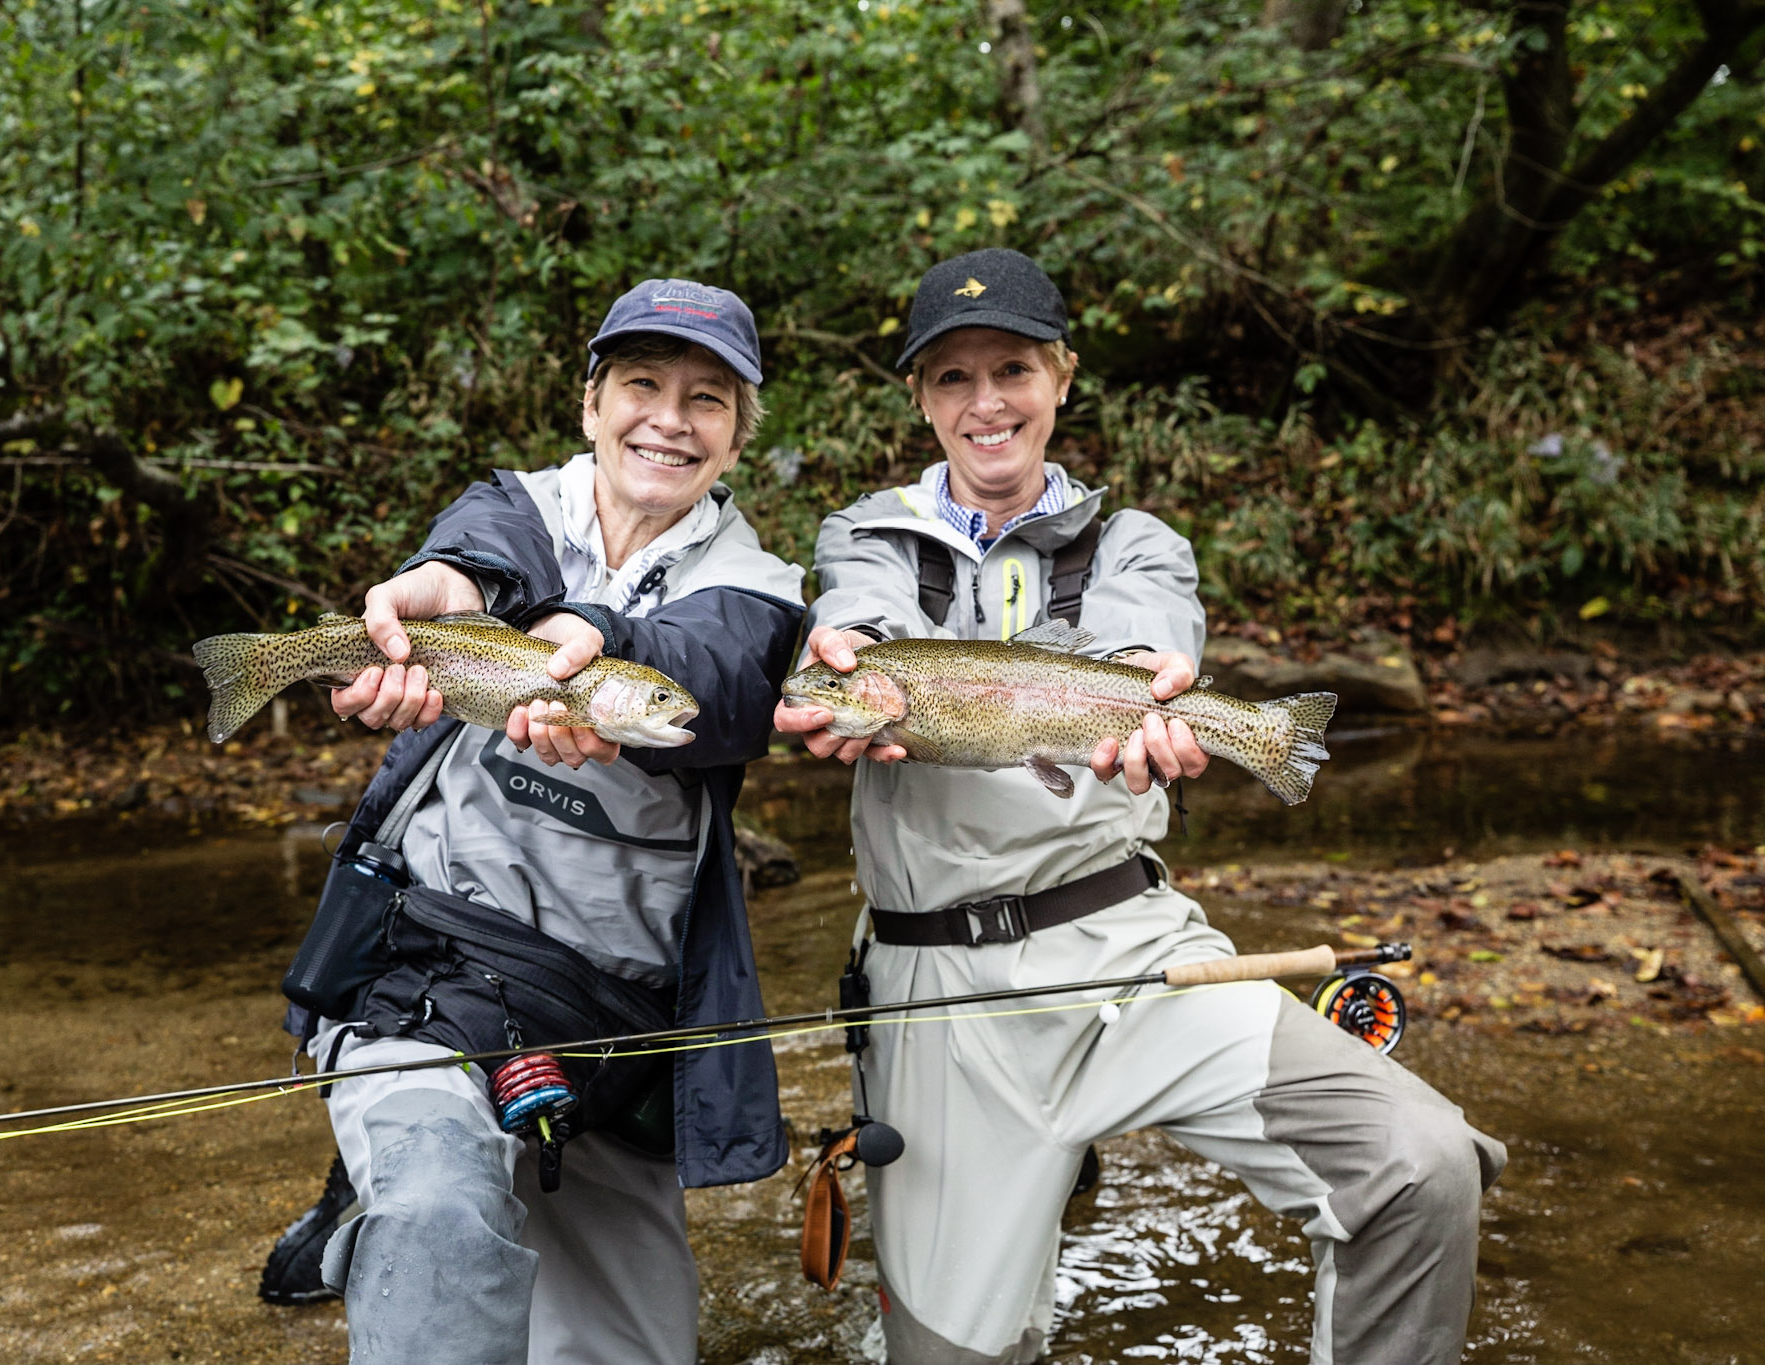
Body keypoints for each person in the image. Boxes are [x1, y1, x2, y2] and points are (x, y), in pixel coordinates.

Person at [773, 248, 1506, 1365]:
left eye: (1012, 368)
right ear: (918, 398)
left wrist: (1154, 697)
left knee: (1419, 1161)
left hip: (1136, 959)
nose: (986, 403)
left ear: (1061, 378)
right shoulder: (862, 533)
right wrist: (849, 661)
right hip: (937, 998)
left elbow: (1142, 637)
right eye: (952, 377)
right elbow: (860, 615)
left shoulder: (1137, 541)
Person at [272, 278, 805, 1364]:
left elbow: (712, 666)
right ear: (590, 404)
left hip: (616, 1019)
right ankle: (397, 1188)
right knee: (437, 1223)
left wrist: (595, 640)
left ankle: (387, 1197)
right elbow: (480, 553)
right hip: (430, 972)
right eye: (641, 385)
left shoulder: (758, 587)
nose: (667, 417)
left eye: (705, 400)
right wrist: (439, 583)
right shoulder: (511, 507)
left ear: (735, 437)